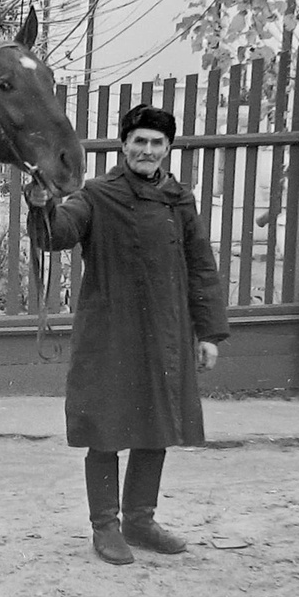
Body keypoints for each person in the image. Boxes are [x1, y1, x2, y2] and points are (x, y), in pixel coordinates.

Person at [26, 104, 230, 565]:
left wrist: (209, 333)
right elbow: (58, 232)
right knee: (106, 426)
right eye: (139, 141)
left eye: (157, 143)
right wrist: (41, 207)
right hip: (110, 333)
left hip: (166, 332)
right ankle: (106, 526)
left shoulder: (180, 200)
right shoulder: (97, 195)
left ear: (168, 149)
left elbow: (201, 267)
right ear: (124, 145)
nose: (147, 150)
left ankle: (140, 519)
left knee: (155, 425)